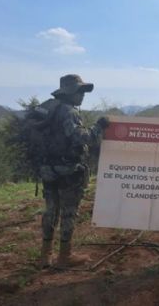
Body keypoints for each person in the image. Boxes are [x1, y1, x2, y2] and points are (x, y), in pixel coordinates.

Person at [38, 74, 110, 268]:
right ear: (69, 92)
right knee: (69, 212)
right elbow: (81, 138)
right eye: (80, 91)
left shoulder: (49, 109)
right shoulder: (69, 112)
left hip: (47, 169)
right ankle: (65, 256)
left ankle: (45, 256)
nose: (82, 95)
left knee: (51, 210)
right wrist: (98, 127)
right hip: (68, 170)